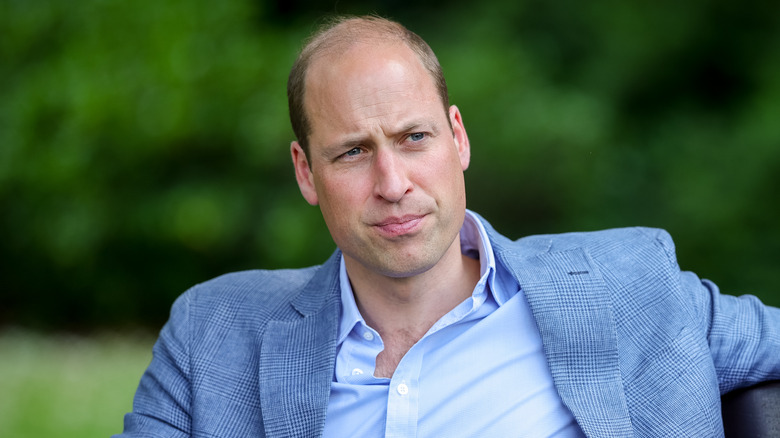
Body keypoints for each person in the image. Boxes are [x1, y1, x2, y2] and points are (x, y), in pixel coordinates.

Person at [116, 15, 780, 437]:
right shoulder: (214, 334)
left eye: (413, 138)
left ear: (457, 138)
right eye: (353, 152)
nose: (393, 184)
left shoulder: (630, 284)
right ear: (305, 172)